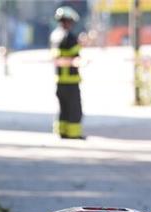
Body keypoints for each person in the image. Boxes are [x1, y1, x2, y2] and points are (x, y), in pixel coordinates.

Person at [50, 7, 84, 139]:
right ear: (68, 21)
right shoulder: (69, 36)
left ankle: (61, 131)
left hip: (59, 80)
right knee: (74, 109)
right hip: (71, 80)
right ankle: (74, 134)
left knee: (63, 108)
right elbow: (75, 55)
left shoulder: (54, 35)